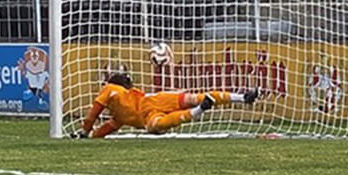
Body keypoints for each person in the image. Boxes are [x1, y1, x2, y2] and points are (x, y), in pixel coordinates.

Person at [76, 71, 260, 138]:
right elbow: (107, 128)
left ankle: (200, 109)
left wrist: (85, 131)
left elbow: (95, 110)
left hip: (149, 106)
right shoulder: (119, 117)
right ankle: (241, 98)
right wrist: (93, 136)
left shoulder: (109, 89)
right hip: (154, 101)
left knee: (156, 126)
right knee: (193, 98)